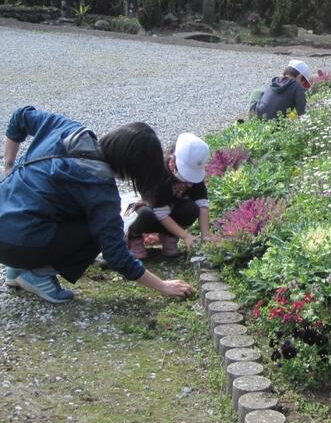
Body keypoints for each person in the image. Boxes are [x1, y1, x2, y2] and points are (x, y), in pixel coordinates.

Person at [0, 106, 194, 304]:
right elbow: (115, 253)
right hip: (18, 245)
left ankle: (17, 268)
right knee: (98, 230)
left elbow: (20, 116)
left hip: (7, 223)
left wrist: (9, 166)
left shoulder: (68, 129)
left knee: (49, 209)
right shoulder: (101, 189)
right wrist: (162, 285)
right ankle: (36, 275)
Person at [126, 133, 214, 259]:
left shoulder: (195, 176)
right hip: (151, 212)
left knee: (191, 209)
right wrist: (185, 236)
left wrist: (206, 235)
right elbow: (161, 214)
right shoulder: (159, 176)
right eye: (186, 178)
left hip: (170, 214)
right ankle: (134, 238)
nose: (189, 184)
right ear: (172, 163)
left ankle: (169, 236)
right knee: (144, 215)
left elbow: (202, 205)